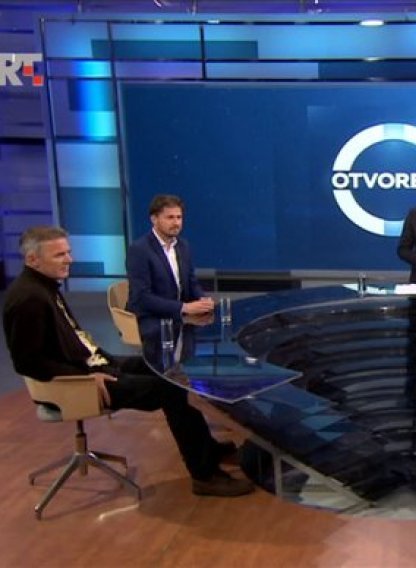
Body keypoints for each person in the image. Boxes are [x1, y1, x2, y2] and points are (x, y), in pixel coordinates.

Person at [3, 226, 254, 498]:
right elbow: (28, 363)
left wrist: (104, 363)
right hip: (76, 384)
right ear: (33, 259)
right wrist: (86, 376)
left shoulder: (45, 286)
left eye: (68, 252)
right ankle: (205, 475)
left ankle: (208, 449)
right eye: (59, 255)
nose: (69, 260)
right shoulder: (29, 299)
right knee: (172, 390)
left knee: (173, 371)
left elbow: (76, 342)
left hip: (93, 366)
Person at [126, 194, 214, 335]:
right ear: (154, 219)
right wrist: (183, 307)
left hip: (179, 315)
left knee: (210, 327)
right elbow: (142, 297)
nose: (176, 223)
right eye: (170, 217)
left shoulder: (183, 246)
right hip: (150, 317)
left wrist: (202, 300)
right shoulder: (139, 250)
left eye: (179, 217)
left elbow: (191, 282)